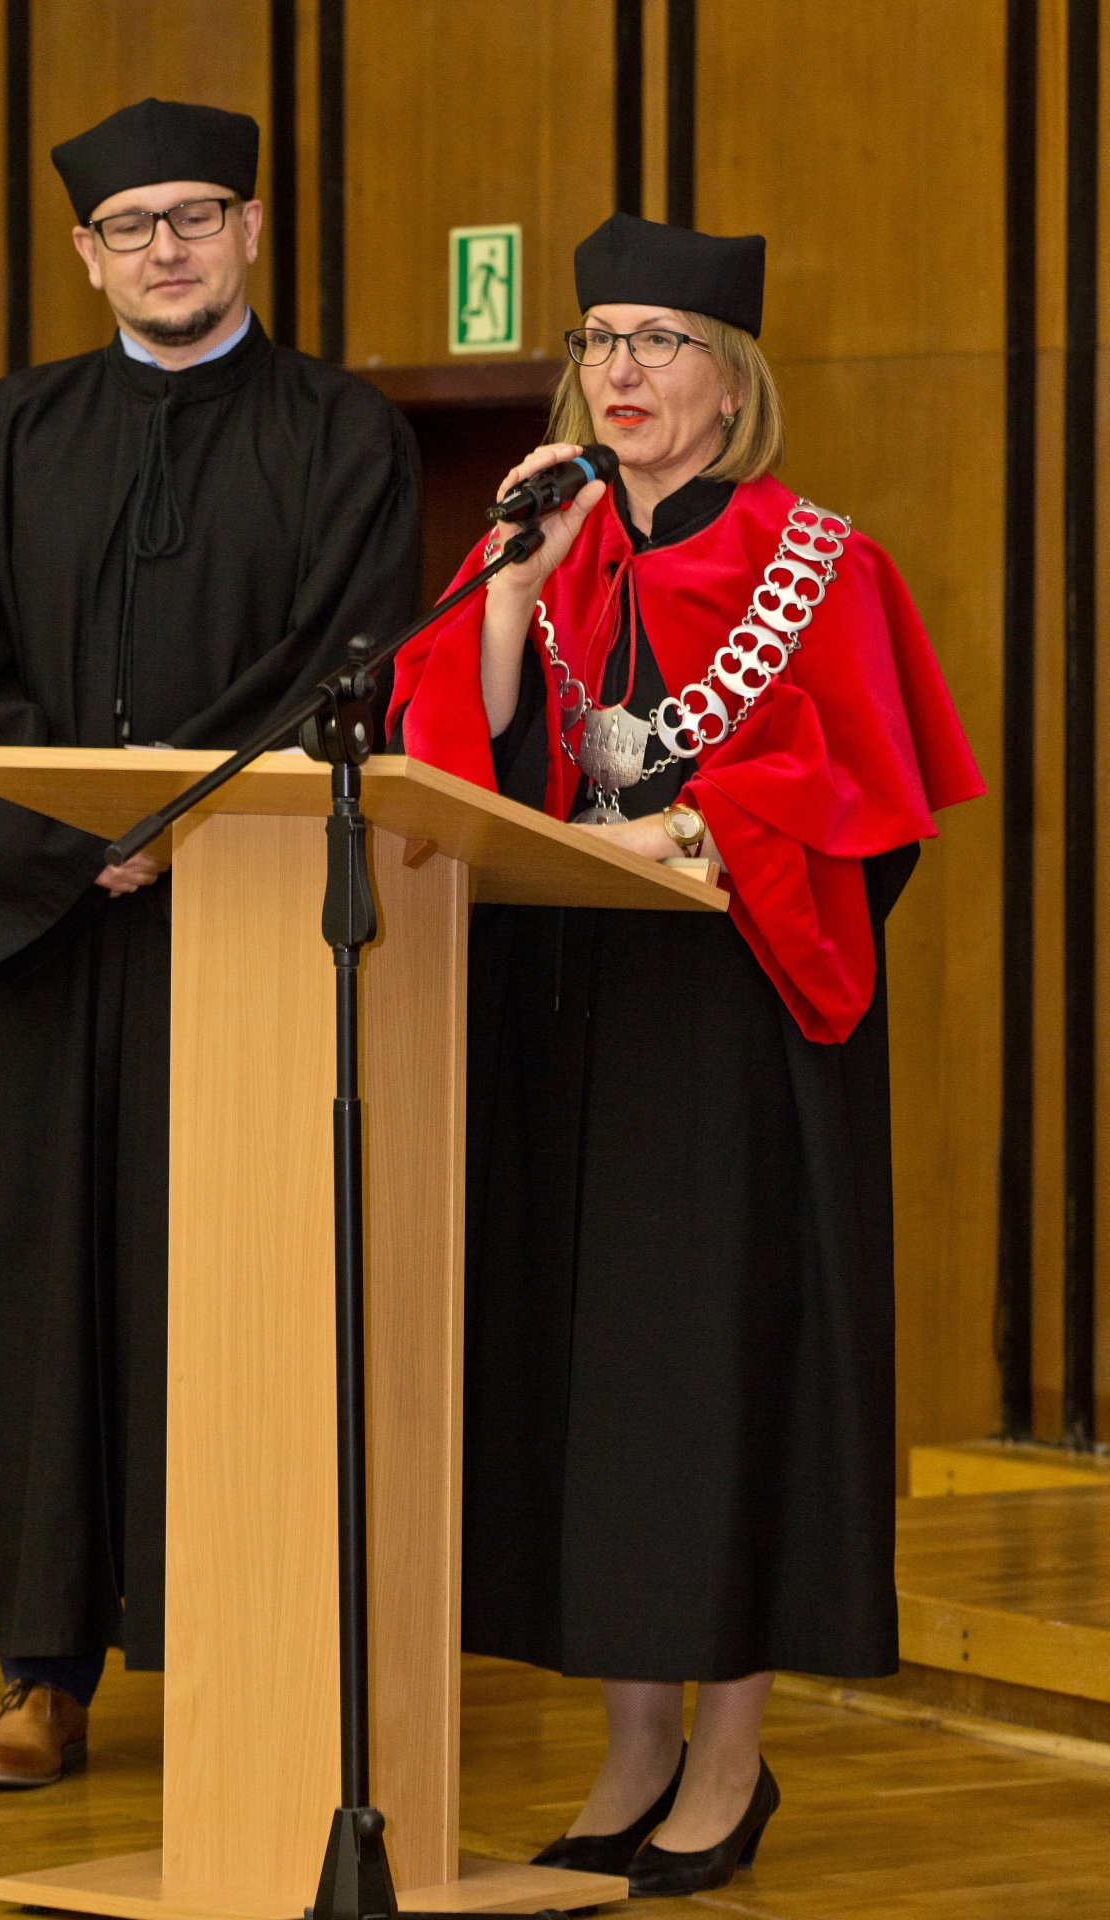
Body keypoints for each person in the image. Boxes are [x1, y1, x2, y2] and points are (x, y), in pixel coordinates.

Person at [388, 212, 983, 1897]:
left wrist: (697, 828)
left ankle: (729, 1757)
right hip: (571, 1017)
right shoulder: (553, 558)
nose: (622, 370)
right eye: (600, 340)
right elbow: (454, 748)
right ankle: (631, 1745)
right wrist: (511, 580)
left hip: (735, 1029)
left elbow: (869, 803)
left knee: (718, 1377)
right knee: (598, 1385)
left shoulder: (821, 563)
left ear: (733, 380)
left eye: (661, 341)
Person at [0, 96, 421, 1789]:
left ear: (253, 230)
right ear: (86, 252)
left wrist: (176, 819)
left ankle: (246, 1664)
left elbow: (344, 664)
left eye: (198, 216)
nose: (168, 249)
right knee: (41, 1305)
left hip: (247, 928)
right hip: (43, 947)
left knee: (241, 1297)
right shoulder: (4, 437)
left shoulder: (343, 436)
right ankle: (43, 1673)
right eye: (133, 227)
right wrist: (76, 842)